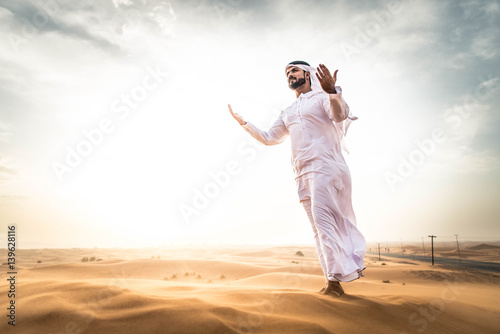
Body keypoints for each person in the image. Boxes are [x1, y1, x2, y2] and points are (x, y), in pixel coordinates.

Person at [228, 60, 366, 297]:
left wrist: (332, 92)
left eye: (294, 70)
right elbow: (270, 138)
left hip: (326, 166)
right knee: (317, 230)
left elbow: (339, 115)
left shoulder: (322, 97)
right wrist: (244, 123)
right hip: (301, 174)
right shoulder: (288, 111)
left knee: (324, 225)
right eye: (286, 72)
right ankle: (330, 281)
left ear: (308, 74)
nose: (289, 74)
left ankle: (335, 283)